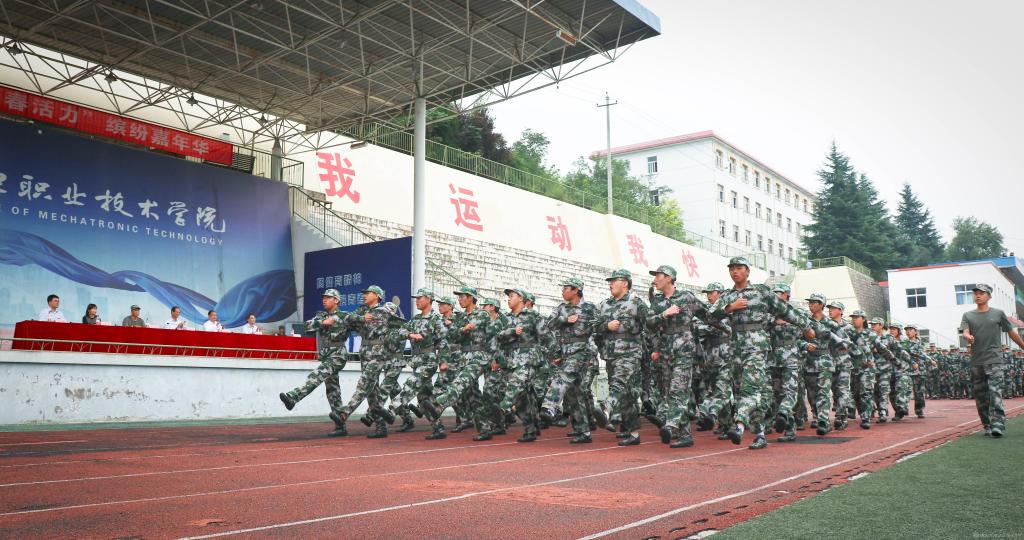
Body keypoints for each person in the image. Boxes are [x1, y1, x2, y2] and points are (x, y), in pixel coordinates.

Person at [707, 257, 812, 449]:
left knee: (750, 388)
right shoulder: (727, 296)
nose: (734, 271)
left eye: (739, 268)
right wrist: (730, 308)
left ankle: (739, 425)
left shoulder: (761, 292)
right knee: (743, 390)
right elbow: (710, 317)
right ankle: (760, 434)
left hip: (757, 347)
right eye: (732, 268)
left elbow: (784, 310)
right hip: (736, 348)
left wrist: (806, 326)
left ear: (748, 271)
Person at [279, 289, 350, 437]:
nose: (324, 299)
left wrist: (336, 321)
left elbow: (356, 324)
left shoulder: (344, 316)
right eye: (324, 297)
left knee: (316, 375)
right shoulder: (321, 316)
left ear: (336, 300)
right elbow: (307, 326)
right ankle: (340, 425)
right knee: (333, 391)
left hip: (338, 355)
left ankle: (293, 397)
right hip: (326, 355)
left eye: (328, 297)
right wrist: (323, 322)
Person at [959, 283, 1024, 438]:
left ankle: (997, 424)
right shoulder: (968, 315)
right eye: (976, 293)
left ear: (989, 296)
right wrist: (967, 336)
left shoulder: (998, 313)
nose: (978, 295)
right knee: (981, 397)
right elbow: (965, 331)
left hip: (994, 360)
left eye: (982, 293)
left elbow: (1011, 333)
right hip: (977, 362)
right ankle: (987, 425)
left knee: (995, 392)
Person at [595, 269, 650, 447]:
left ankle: (606, 408)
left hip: (630, 353)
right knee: (627, 394)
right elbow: (593, 326)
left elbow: (650, 324)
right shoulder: (604, 305)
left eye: (614, 280)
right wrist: (606, 325)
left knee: (618, 384)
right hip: (611, 354)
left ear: (625, 283)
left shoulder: (636, 303)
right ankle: (632, 432)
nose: (610, 284)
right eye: (610, 281)